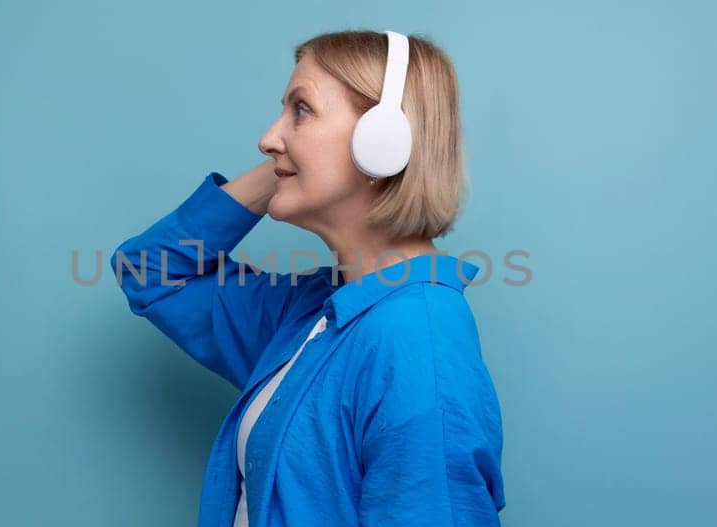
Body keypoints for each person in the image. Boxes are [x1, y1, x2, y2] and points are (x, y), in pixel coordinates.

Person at [110, 29, 505, 526]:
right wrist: (286, 166)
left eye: (301, 110)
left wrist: (320, 162)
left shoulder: (417, 342)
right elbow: (149, 270)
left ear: (383, 139)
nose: (267, 138)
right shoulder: (311, 314)